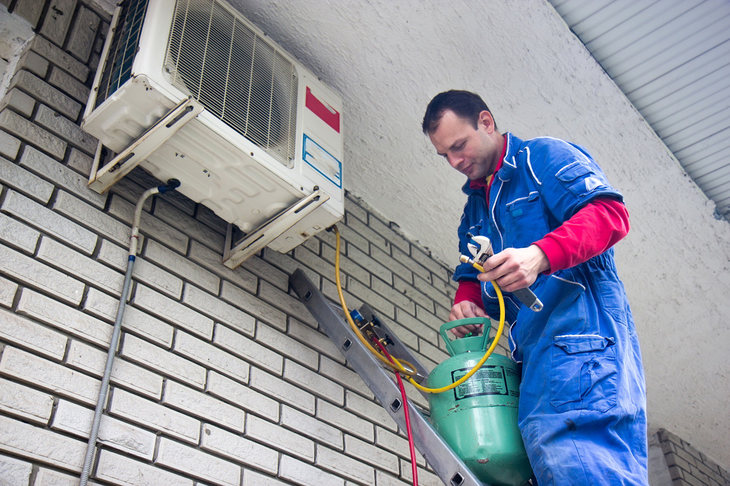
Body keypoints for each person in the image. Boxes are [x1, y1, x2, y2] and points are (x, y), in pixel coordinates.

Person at [422, 90, 648, 485]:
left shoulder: (540, 157)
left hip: (583, 344)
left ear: (487, 122)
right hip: (532, 359)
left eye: (459, 146)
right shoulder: (474, 211)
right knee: (553, 465)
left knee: (585, 463)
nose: (455, 161)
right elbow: (470, 275)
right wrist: (467, 304)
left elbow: (610, 214)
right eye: (445, 156)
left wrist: (540, 255)